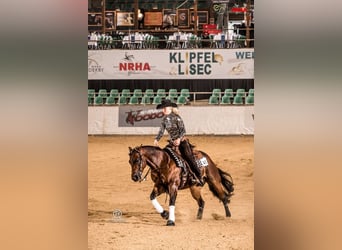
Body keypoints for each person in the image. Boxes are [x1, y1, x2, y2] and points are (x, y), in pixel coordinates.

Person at [154, 99, 204, 186]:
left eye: (164, 108)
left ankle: (198, 177)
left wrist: (179, 139)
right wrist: (157, 139)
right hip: (172, 143)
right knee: (165, 155)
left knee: (188, 157)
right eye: (162, 109)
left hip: (182, 142)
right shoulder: (164, 120)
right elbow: (161, 131)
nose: (163, 110)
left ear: (169, 108)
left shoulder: (177, 117)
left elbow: (183, 130)